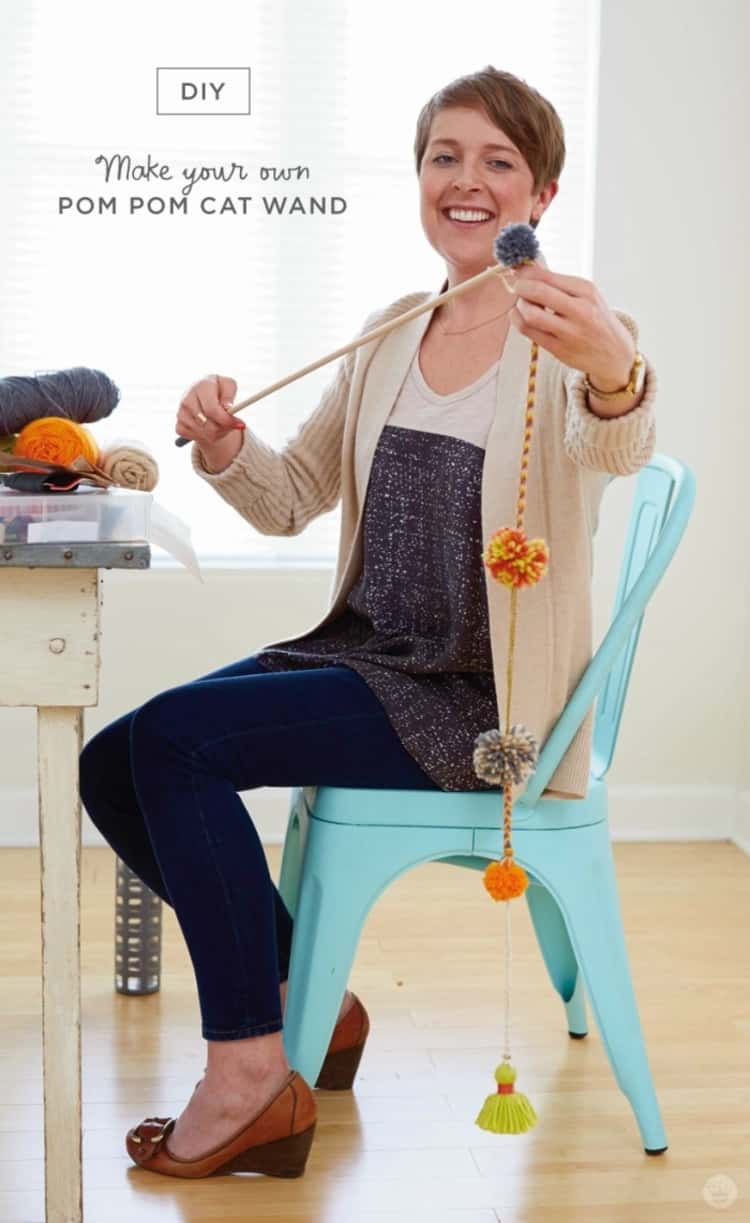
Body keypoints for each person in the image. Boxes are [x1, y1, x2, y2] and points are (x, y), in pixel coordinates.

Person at [79, 65, 656, 1180]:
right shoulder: (397, 327)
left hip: (476, 700)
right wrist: (224, 446)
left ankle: (249, 1072)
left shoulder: (577, 331)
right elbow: (294, 493)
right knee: (115, 760)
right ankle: (304, 989)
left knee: (173, 742)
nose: (467, 180)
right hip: (367, 655)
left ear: (541, 192)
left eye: (498, 162)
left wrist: (620, 376)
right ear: (421, 178)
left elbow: (616, 442)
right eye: (446, 156)